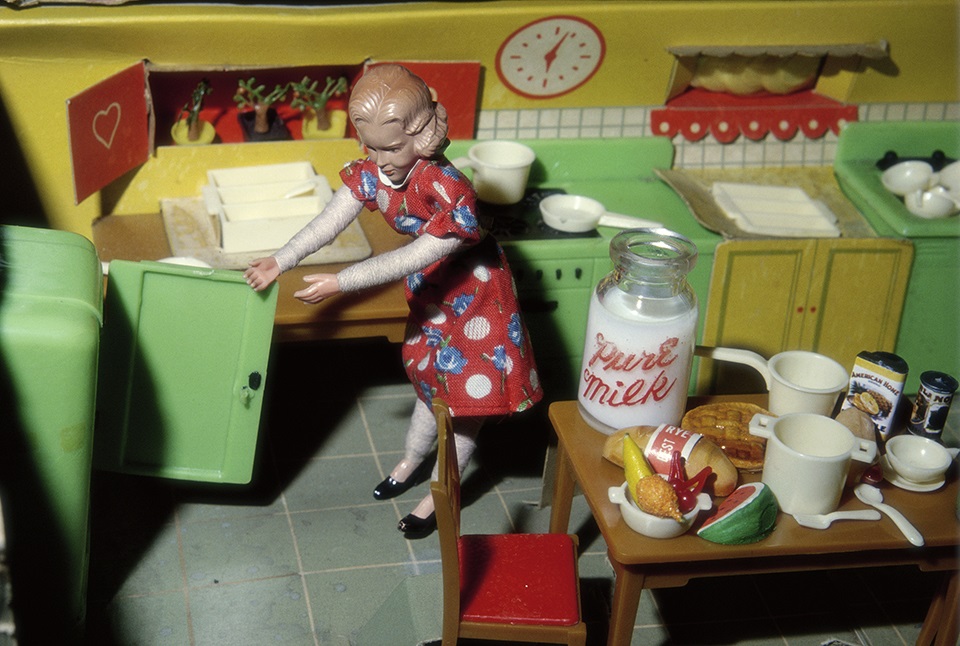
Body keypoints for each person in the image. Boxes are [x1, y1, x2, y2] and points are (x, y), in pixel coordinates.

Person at [244, 64, 541, 538]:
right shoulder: (375, 172)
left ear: (422, 134)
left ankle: (442, 492)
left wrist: (342, 282)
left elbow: (415, 254)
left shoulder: (449, 190)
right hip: (434, 293)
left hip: (478, 297)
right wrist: (282, 260)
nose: (380, 160)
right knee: (428, 380)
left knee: (465, 406)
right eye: (371, 147)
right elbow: (330, 220)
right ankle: (410, 460)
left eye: (391, 147)